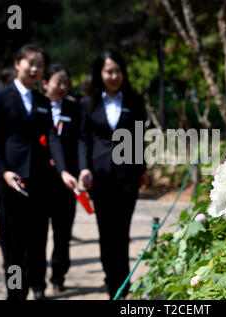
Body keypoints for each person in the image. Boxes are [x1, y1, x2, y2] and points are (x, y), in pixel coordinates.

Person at [0, 43, 74, 300]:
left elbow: (52, 138)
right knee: (13, 242)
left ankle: (37, 285)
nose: (35, 69)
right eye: (30, 63)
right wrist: (3, 172)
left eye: (40, 65)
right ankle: (16, 293)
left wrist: (63, 171)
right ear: (17, 63)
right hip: (10, 181)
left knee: (37, 239)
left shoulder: (42, 101)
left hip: (40, 180)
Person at [78, 50, 147, 299]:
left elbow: (140, 137)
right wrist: (84, 168)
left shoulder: (134, 100)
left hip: (127, 176)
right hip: (99, 176)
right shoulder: (88, 103)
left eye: (117, 71)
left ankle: (123, 285)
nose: (113, 76)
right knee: (105, 232)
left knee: (122, 232)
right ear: (100, 73)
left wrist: (142, 170)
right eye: (108, 71)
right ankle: (111, 283)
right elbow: (83, 139)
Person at [41, 63, 81, 293]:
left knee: (62, 232)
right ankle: (36, 280)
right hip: (40, 179)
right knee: (37, 233)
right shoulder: (36, 105)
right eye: (58, 82)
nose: (63, 87)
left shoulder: (74, 108)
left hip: (67, 181)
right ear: (46, 83)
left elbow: (80, 141)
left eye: (66, 82)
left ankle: (58, 276)